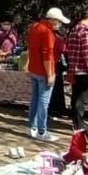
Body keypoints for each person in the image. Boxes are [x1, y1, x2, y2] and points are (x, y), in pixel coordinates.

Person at [27, 8, 70, 142]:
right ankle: (41, 131)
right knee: (43, 102)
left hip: (33, 68)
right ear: (53, 20)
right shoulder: (48, 33)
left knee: (35, 99)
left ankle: (33, 128)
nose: (59, 24)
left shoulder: (34, 27)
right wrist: (50, 74)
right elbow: (47, 56)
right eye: (58, 21)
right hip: (44, 71)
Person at [64, 10, 88, 131]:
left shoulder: (73, 30)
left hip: (74, 69)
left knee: (75, 97)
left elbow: (68, 50)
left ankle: (76, 122)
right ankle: (79, 125)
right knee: (81, 99)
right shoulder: (85, 32)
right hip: (83, 70)